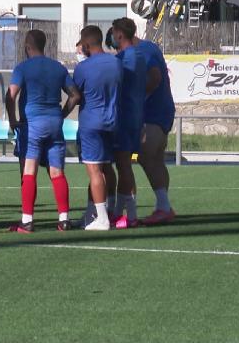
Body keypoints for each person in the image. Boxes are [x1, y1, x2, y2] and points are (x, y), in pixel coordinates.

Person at [6, 30, 81, 233]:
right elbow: (74, 95)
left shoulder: (22, 68)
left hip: (32, 124)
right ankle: (64, 219)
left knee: (29, 171)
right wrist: (62, 114)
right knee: (57, 172)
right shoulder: (58, 67)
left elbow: (11, 95)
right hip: (55, 123)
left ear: (28, 46)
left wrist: (13, 120)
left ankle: (27, 220)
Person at [120, 19, 177, 225]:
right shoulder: (147, 49)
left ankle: (142, 208)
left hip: (153, 114)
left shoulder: (143, 50)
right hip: (158, 113)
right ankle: (163, 206)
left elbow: (154, 77)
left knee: (141, 157)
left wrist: (137, 98)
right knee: (153, 159)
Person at [73, 26, 123, 232]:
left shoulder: (84, 68)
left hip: (91, 123)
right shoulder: (116, 63)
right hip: (112, 121)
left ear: (85, 44)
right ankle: (103, 211)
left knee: (94, 171)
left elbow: (75, 94)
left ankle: (102, 218)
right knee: (107, 167)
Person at [110, 17, 148, 229]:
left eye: (114, 33)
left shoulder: (126, 58)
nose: (113, 37)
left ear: (120, 34)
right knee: (122, 164)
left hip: (126, 116)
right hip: (135, 115)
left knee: (124, 165)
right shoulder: (138, 56)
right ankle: (119, 212)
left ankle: (131, 214)